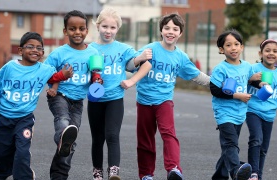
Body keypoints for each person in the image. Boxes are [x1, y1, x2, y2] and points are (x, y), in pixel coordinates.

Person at [0, 32, 73, 180]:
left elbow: (55, 76)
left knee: (22, 153)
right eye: (30, 46)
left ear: (43, 53)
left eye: (39, 48)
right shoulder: (10, 67)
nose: (35, 50)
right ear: (20, 50)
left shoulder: (43, 69)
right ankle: (1, 174)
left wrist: (56, 85)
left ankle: (24, 177)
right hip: (4, 118)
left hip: (24, 119)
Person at [135, 13, 210, 180]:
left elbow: (197, 76)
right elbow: (131, 64)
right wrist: (138, 58)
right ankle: (146, 174)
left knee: (168, 133)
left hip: (165, 101)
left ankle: (173, 168)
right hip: (144, 100)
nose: (170, 32)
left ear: (180, 33)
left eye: (175, 29)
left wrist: (217, 84)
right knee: (145, 139)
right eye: (167, 28)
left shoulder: (180, 57)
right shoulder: (150, 49)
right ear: (161, 30)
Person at [88, 7, 152, 180]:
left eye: (112, 27)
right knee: (98, 137)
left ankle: (113, 171)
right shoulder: (89, 49)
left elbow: (141, 64)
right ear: (97, 26)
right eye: (105, 27)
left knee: (112, 135)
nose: (108, 31)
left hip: (115, 98)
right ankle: (97, 172)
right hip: (95, 99)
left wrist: (132, 79)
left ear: (118, 29)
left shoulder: (123, 49)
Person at [43, 10, 99, 180]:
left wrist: (97, 81)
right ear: (65, 31)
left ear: (87, 31)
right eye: (72, 29)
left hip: (78, 101)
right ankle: (62, 138)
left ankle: (59, 176)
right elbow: (45, 75)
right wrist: (61, 76)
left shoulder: (93, 53)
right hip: (59, 95)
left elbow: (96, 73)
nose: (77, 32)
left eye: (81, 28)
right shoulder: (59, 54)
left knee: (70, 141)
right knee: (63, 123)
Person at [209, 29, 262, 180]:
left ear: (242, 47)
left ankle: (219, 176)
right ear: (221, 49)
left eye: (236, 44)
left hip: (239, 113)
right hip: (224, 113)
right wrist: (236, 95)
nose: (233, 48)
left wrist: (261, 83)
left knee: (228, 146)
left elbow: (251, 79)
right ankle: (235, 170)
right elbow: (214, 90)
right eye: (228, 45)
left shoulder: (246, 66)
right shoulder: (221, 69)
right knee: (231, 144)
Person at [246, 39, 277, 180]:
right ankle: (253, 172)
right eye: (267, 50)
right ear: (260, 53)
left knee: (263, 148)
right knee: (256, 139)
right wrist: (252, 80)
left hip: (269, 114)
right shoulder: (253, 68)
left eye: (275, 51)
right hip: (252, 110)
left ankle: (258, 176)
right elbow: (242, 81)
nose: (271, 53)